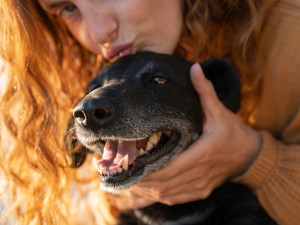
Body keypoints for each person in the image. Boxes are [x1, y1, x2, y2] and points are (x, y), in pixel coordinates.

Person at [0, 0, 299, 224]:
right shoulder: (88, 71)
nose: (99, 32)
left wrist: (252, 157)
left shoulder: (292, 35)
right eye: (67, 7)